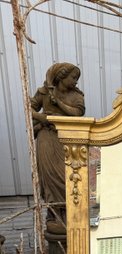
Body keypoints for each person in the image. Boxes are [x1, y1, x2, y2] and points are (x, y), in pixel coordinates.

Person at [31, 63, 85, 231]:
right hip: (47, 138)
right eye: (73, 78)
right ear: (62, 76)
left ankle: (69, 211)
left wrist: (58, 103)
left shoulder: (76, 96)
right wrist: (42, 118)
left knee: (67, 176)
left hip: (67, 141)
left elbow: (78, 113)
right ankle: (54, 213)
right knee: (49, 176)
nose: (75, 81)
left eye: (77, 78)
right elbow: (28, 108)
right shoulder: (44, 92)